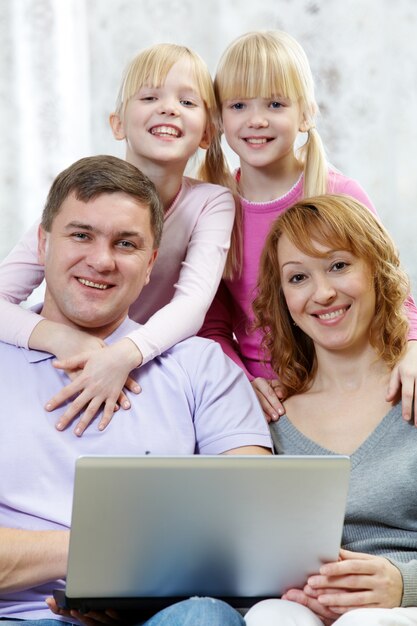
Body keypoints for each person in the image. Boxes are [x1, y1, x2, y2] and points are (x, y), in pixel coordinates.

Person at [0, 155, 272, 626]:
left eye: (125, 244)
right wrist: (103, 553)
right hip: (21, 620)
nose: (101, 261)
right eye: (81, 235)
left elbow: (255, 530)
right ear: (43, 244)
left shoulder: (200, 367)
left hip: (164, 617)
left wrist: (137, 592)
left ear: (149, 265)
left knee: (204, 616)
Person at [0, 43, 236, 435]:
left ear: (209, 133)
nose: (169, 108)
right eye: (149, 96)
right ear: (117, 124)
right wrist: (63, 340)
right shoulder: (82, 194)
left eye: (187, 101)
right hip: (76, 344)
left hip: (145, 356)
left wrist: (122, 356)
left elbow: (192, 306)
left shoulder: (212, 203)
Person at [199, 29, 417, 423]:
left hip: (352, 387)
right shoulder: (213, 208)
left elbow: (392, 287)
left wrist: (413, 349)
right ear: (218, 118)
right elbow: (211, 324)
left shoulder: (339, 192)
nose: (257, 120)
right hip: (269, 401)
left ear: (306, 112)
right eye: (238, 105)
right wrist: (241, 379)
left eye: (276, 103)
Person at [245, 194, 417, 625]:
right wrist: (293, 594)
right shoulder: (269, 423)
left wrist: (404, 585)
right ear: (283, 296)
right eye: (298, 277)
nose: (322, 293)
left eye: (339, 265)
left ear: (376, 268)